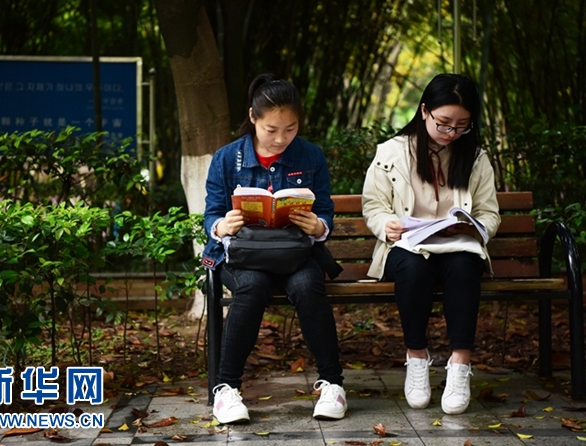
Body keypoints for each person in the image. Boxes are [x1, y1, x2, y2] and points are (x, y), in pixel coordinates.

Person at [202, 73, 347, 424]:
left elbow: (324, 210)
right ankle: (226, 389)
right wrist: (222, 225)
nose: (281, 138)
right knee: (252, 286)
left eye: (290, 129)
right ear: (253, 117)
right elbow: (212, 214)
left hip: (295, 253)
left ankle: (333, 385)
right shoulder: (227, 158)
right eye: (271, 129)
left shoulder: (310, 155)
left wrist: (319, 226)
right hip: (244, 255)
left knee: (307, 286)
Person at [361, 73, 501, 414]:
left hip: (457, 246)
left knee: (465, 265)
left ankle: (460, 364)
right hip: (407, 246)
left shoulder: (475, 158)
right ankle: (417, 357)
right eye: (444, 123)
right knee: (413, 268)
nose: (451, 133)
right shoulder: (392, 152)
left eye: (461, 126)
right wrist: (386, 224)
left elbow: (489, 213)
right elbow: (374, 205)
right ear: (424, 111)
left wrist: (476, 229)